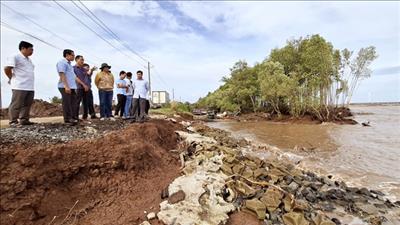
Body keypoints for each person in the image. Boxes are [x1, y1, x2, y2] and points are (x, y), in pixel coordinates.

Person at [4, 41, 35, 126]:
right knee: (16, 104)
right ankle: (13, 121)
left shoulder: (29, 60)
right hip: (19, 85)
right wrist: (11, 78)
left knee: (27, 104)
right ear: (23, 48)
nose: (32, 51)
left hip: (29, 86)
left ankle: (24, 120)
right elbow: (7, 68)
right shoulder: (15, 56)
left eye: (32, 49)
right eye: (30, 49)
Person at [57, 49, 87, 126]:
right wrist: (66, 86)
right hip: (64, 87)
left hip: (72, 87)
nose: (74, 57)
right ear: (67, 55)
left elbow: (74, 77)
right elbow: (62, 74)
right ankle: (67, 120)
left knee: (73, 103)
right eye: (72, 55)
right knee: (67, 103)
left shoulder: (69, 65)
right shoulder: (62, 63)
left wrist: (82, 84)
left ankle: (73, 118)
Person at [73, 55, 90, 120]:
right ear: (76, 60)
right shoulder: (73, 68)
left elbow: (86, 78)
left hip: (85, 88)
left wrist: (87, 86)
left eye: (83, 60)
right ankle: (75, 117)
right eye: (81, 59)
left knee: (85, 103)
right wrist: (83, 85)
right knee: (77, 102)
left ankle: (85, 117)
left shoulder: (84, 69)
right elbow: (75, 78)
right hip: (78, 87)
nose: (83, 61)